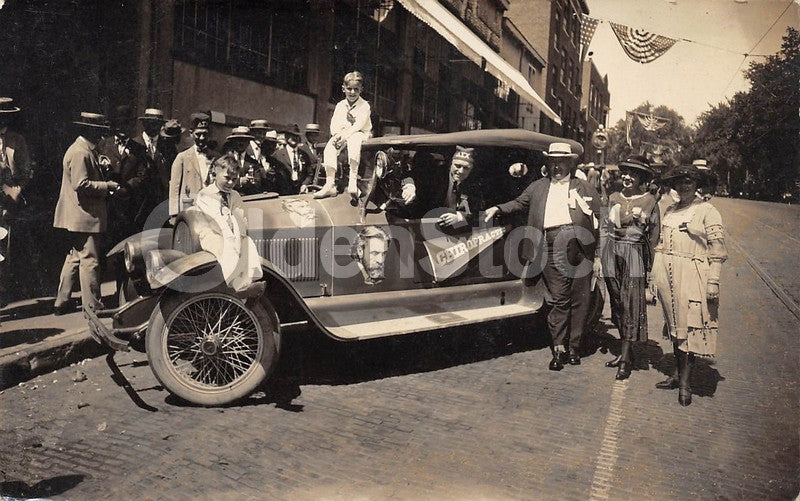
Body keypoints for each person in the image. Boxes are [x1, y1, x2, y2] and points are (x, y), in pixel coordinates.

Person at [484, 142, 602, 370]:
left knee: (580, 297)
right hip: (550, 243)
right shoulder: (538, 187)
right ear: (548, 162)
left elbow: (600, 219)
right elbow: (518, 203)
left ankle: (575, 347)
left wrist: (597, 255)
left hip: (581, 245)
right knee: (558, 298)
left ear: (570, 162)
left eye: (562, 161)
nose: (557, 166)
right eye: (553, 161)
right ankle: (559, 348)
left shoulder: (585, 188)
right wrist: (497, 208)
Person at [651, 165, 727, 406]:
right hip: (667, 273)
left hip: (693, 273)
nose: (684, 186)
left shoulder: (707, 210)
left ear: (697, 185)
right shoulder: (671, 209)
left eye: (689, 182)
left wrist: (713, 281)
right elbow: (662, 244)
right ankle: (676, 375)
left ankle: (685, 384)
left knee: (690, 327)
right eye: (680, 182)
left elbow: (717, 250)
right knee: (675, 326)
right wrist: (655, 276)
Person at [601, 156, 661, 380]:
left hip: (634, 255)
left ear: (642, 178)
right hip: (611, 253)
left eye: (633, 174)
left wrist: (651, 270)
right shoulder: (613, 197)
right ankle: (625, 351)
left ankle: (625, 359)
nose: (627, 177)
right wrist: (600, 257)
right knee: (617, 304)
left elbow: (654, 238)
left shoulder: (649, 202)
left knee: (630, 304)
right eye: (625, 172)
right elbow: (605, 228)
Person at [53, 112, 119, 314]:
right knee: (90, 260)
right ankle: (93, 305)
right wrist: (106, 185)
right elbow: (80, 184)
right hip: (84, 216)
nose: (101, 138)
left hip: (77, 215)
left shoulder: (82, 149)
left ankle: (61, 301)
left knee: (74, 257)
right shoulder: (81, 153)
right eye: (99, 133)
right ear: (90, 131)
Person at [194, 154, 263, 293]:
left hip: (232, 233)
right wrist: (232, 238)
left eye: (234, 179)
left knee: (248, 243)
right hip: (211, 234)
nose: (230, 183)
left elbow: (240, 219)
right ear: (215, 172)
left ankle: (249, 280)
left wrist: (241, 237)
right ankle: (237, 285)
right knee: (226, 246)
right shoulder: (205, 195)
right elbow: (216, 221)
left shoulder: (235, 195)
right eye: (227, 178)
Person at [317, 71, 372, 199]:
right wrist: (336, 135)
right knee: (330, 146)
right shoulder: (340, 105)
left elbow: (358, 125)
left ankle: (353, 180)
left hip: (361, 134)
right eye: (349, 89)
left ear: (361, 90)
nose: (352, 92)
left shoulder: (365, 106)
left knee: (354, 140)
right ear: (343, 88)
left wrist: (344, 137)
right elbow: (334, 123)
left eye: (356, 89)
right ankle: (329, 183)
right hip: (342, 134)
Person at [0, 97, 31, 307]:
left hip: (7, 201)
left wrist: (15, 192)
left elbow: (26, 171)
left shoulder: (16, 140)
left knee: (3, 248)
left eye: (5, 116)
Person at [169, 112, 217, 217]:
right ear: (191, 133)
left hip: (211, 210)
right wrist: (174, 215)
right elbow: (174, 188)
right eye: (198, 134)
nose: (201, 138)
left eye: (205, 134)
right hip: (189, 211)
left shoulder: (216, 157)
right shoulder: (182, 157)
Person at [434, 146, 486, 228]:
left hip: (459, 232)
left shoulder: (474, 185)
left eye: (466, 168)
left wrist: (460, 216)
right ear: (450, 164)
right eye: (457, 166)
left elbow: (480, 212)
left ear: (471, 169)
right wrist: (410, 185)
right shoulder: (437, 178)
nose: (461, 171)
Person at [271, 123, 312, 195]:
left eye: (296, 135)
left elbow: (309, 174)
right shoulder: (277, 155)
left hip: (299, 193)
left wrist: (305, 184)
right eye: (291, 135)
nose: (294, 138)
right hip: (282, 193)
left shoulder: (304, 155)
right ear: (286, 136)